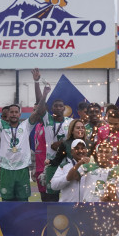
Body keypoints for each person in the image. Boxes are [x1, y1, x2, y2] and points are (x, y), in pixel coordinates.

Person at [0, 73, 50, 202]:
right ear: (7, 114)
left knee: (23, 203)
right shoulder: (2, 126)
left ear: (20, 114)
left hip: (22, 170)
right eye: (11, 112)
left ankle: (22, 223)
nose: (13, 114)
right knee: (7, 202)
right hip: (6, 170)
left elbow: (40, 111)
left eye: (16, 112)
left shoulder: (26, 125)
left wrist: (44, 94)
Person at [33, 69, 71, 202]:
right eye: (56, 106)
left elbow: (75, 140)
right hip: (50, 164)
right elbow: (39, 103)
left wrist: (63, 144)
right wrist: (38, 83)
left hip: (67, 164)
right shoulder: (48, 120)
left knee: (68, 196)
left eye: (61, 106)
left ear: (64, 108)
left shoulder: (70, 122)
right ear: (52, 108)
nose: (59, 108)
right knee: (50, 198)